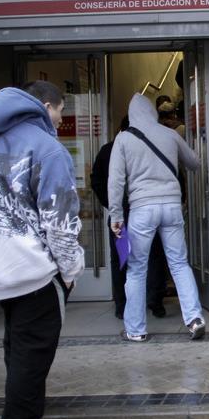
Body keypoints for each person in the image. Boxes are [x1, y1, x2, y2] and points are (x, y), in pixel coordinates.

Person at [0, 81, 85, 419]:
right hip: (31, 275)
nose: (62, 120)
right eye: (61, 111)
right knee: (30, 363)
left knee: (17, 354)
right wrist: (71, 271)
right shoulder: (48, 149)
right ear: (46, 106)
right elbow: (60, 226)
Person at [108, 93, 206, 342]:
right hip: (172, 206)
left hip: (142, 209)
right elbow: (194, 163)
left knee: (137, 269)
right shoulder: (170, 134)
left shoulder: (123, 139)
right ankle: (194, 319)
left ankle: (136, 330)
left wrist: (116, 215)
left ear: (132, 115)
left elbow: (116, 181)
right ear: (152, 112)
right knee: (179, 263)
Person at [90, 116, 167, 319]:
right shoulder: (149, 147)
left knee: (122, 258)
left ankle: (122, 304)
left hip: (120, 214)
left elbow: (96, 180)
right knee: (154, 255)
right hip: (147, 210)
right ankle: (155, 301)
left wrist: (110, 204)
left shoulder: (108, 150)